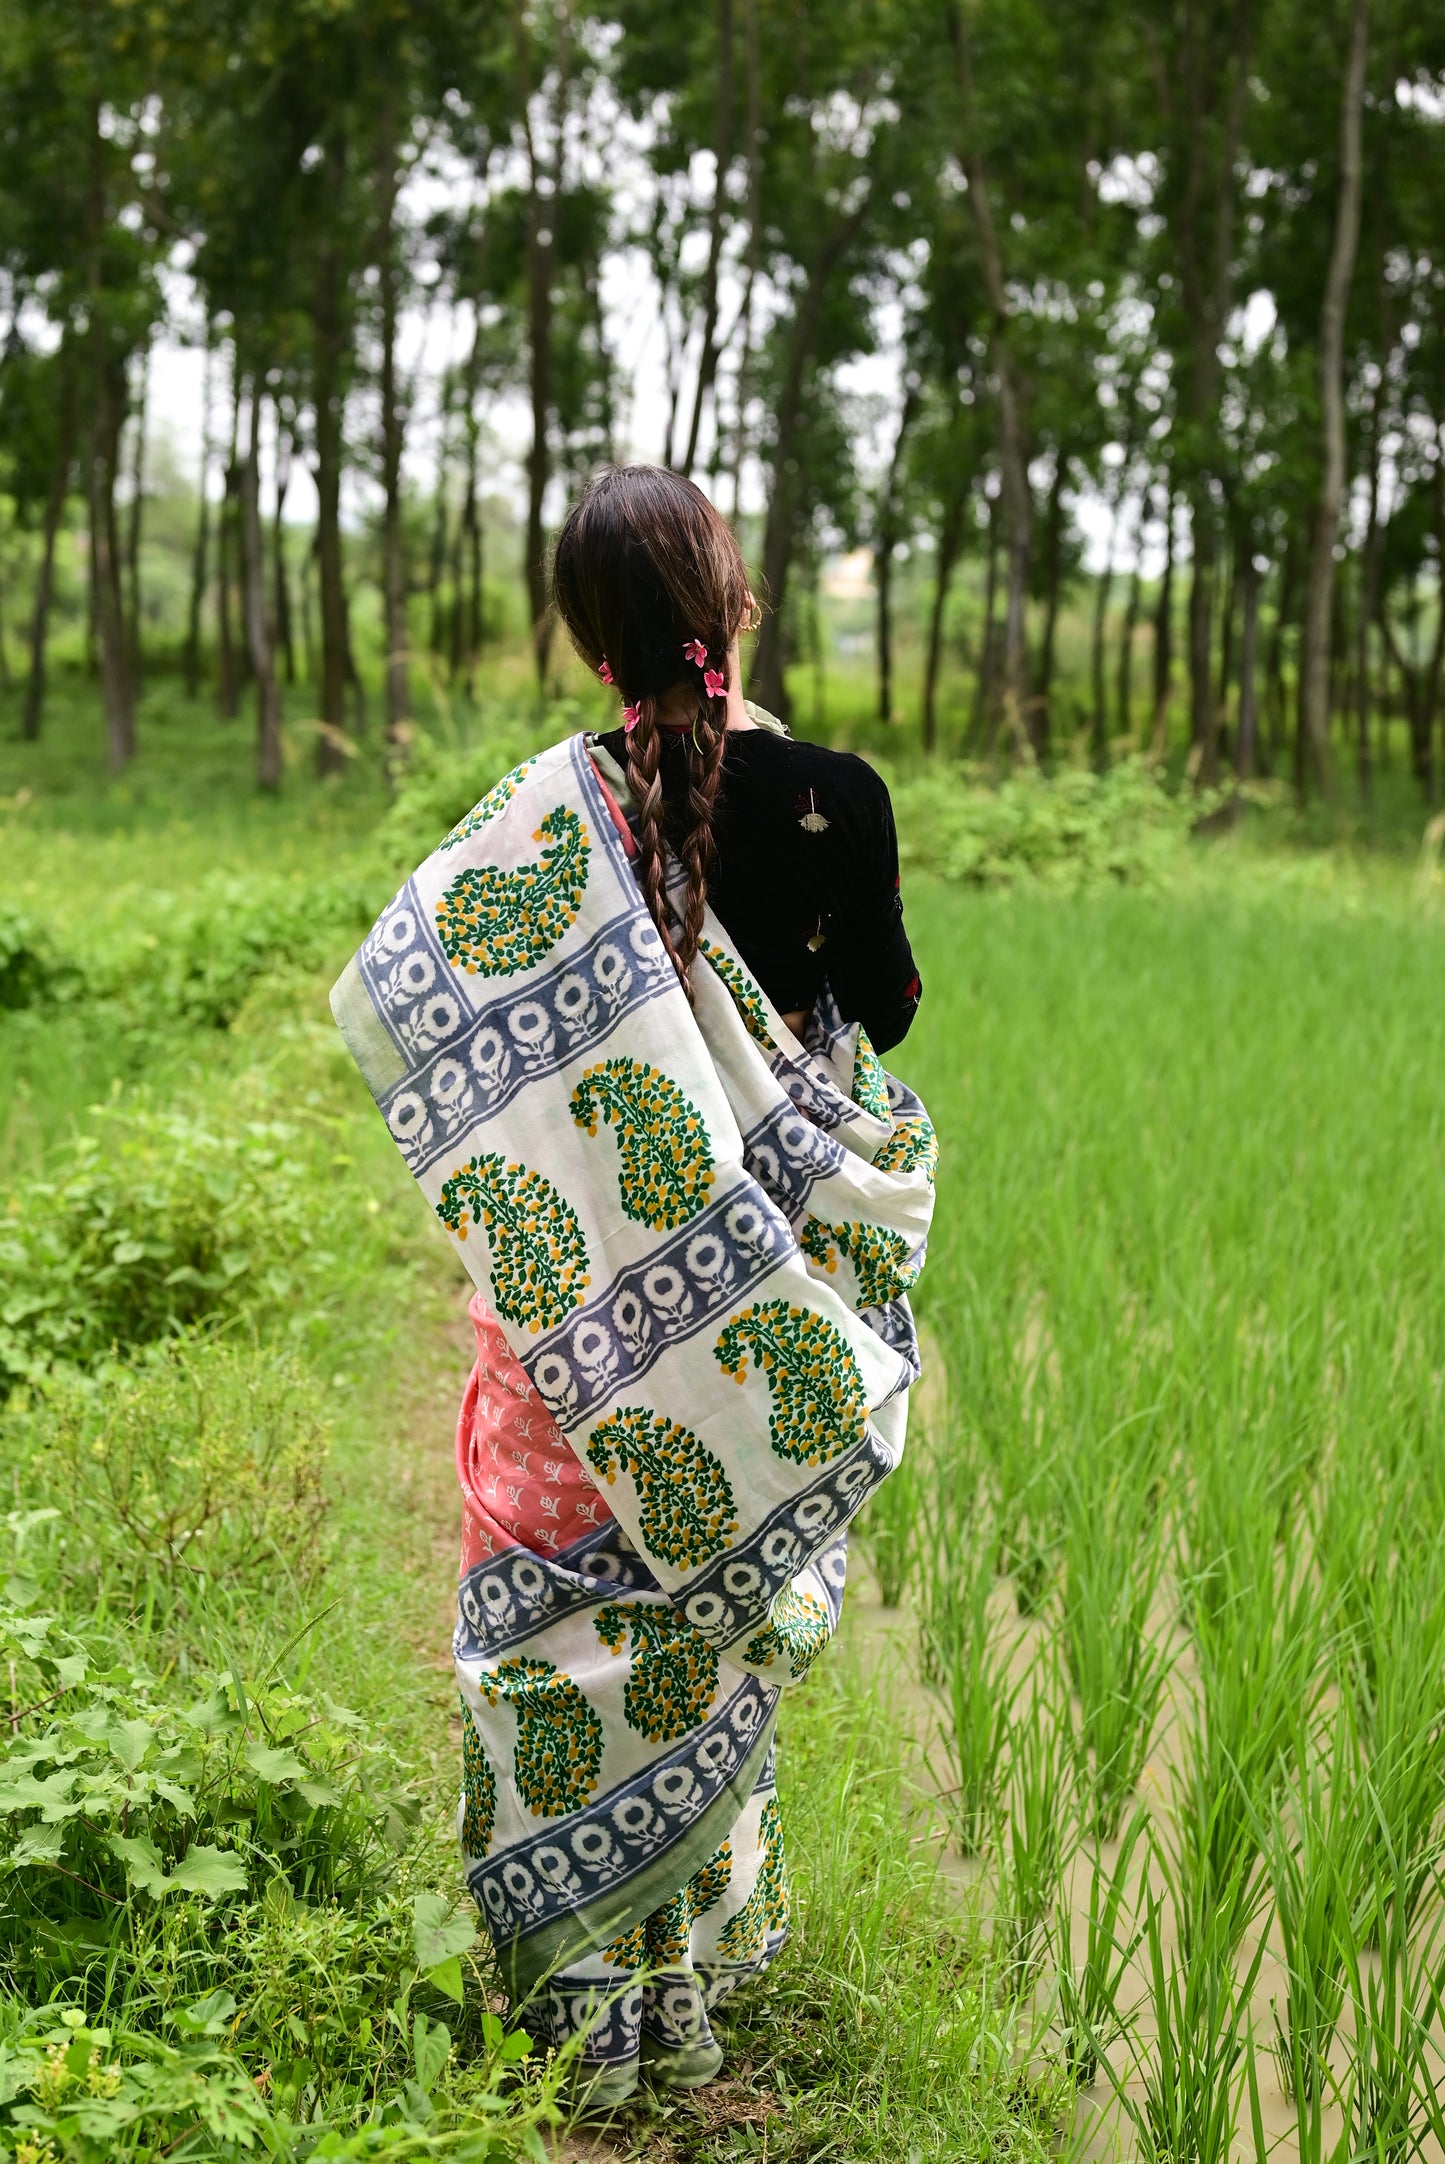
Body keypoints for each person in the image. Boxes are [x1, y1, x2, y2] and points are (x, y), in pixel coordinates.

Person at [332, 464, 935, 2110]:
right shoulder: (836, 797)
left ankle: (570, 2025)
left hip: (563, 1334)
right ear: (733, 604)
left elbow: (412, 996)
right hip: (757, 1328)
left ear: (586, 640)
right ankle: (690, 1992)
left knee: (558, 1646)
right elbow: (882, 1013)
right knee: (708, 1631)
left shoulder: (535, 825)